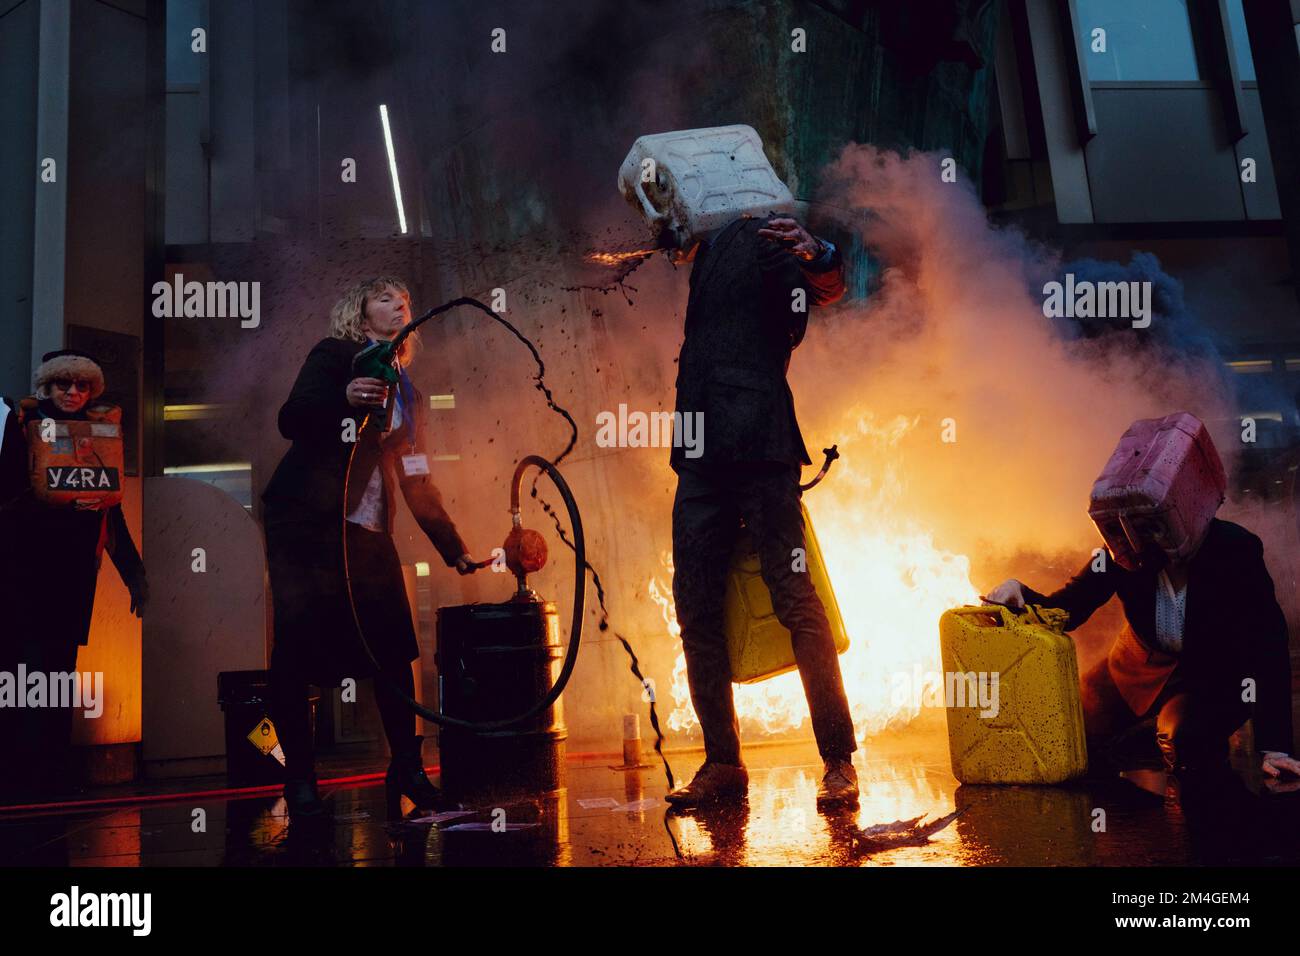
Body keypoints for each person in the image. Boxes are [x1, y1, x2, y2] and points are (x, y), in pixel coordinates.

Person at [262, 277, 476, 819]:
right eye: (384, 298)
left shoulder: (410, 391)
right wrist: (344, 400)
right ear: (358, 316)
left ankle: (407, 768)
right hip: (308, 524)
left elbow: (415, 475)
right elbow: (292, 418)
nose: (400, 304)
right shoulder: (336, 356)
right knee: (296, 650)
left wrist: (453, 548)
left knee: (394, 648)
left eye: (405, 298)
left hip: (367, 529)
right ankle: (300, 780)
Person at [984, 416, 1298, 785]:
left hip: (1211, 679)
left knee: (1185, 741)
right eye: (1128, 526)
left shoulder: (1236, 550)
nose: (1137, 538)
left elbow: (1268, 644)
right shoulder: (1122, 549)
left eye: (1150, 525)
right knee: (1066, 734)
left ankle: (1198, 801)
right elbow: (1069, 608)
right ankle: (1136, 757)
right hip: (1135, 669)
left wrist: (1275, 747)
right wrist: (1018, 593)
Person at [666, 213, 860, 810]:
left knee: (794, 597)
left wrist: (818, 251)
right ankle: (723, 764)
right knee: (695, 608)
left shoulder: (764, 236)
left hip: (762, 446)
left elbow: (824, 288)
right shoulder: (701, 251)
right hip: (699, 455)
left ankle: (838, 762)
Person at [0, 349, 147, 800]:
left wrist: (134, 575)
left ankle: (52, 776)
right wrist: (61, 513)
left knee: (59, 673)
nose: (73, 392)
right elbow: (6, 499)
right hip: (25, 573)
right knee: (23, 673)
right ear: (47, 387)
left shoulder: (99, 434)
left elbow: (113, 507)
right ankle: (18, 777)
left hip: (74, 573)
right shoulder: (23, 428)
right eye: (64, 384)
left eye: (81, 385)